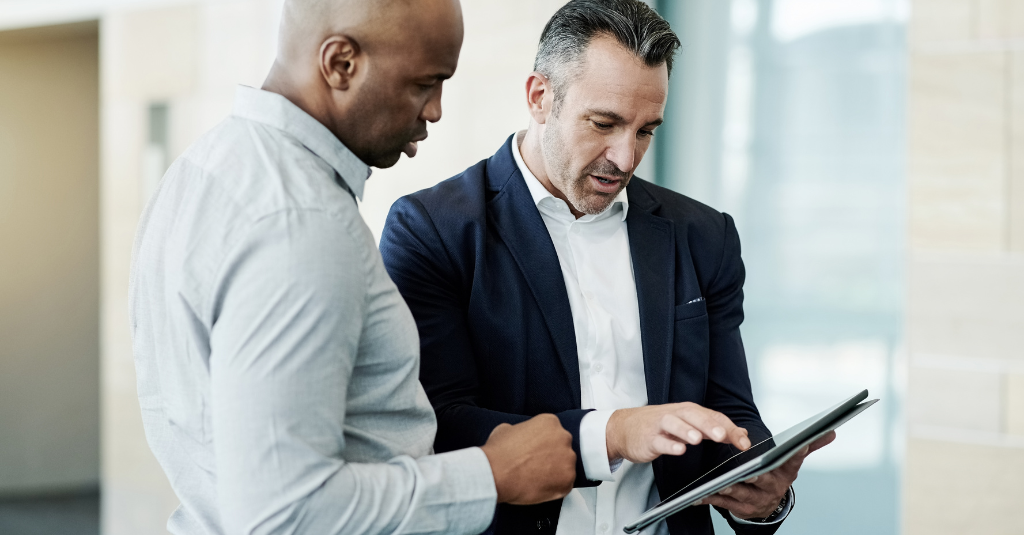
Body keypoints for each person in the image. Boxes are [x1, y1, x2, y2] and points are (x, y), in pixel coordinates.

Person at [379, 1, 835, 534]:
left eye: (646, 130)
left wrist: (762, 491)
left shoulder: (703, 235)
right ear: (540, 97)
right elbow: (438, 425)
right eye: (605, 123)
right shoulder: (433, 229)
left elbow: (730, 409)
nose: (625, 158)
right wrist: (613, 434)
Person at [128, 0, 578, 533]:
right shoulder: (301, 224)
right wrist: (493, 475)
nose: (434, 110)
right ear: (341, 63)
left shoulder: (205, 168)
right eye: (423, 83)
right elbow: (284, 512)